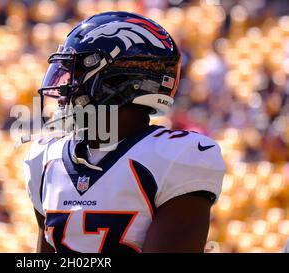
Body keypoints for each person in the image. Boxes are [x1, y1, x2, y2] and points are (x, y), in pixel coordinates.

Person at [24, 12, 225, 253]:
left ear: (118, 80)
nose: (65, 88)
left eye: (77, 74)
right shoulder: (46, 158)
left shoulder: (176, 158)